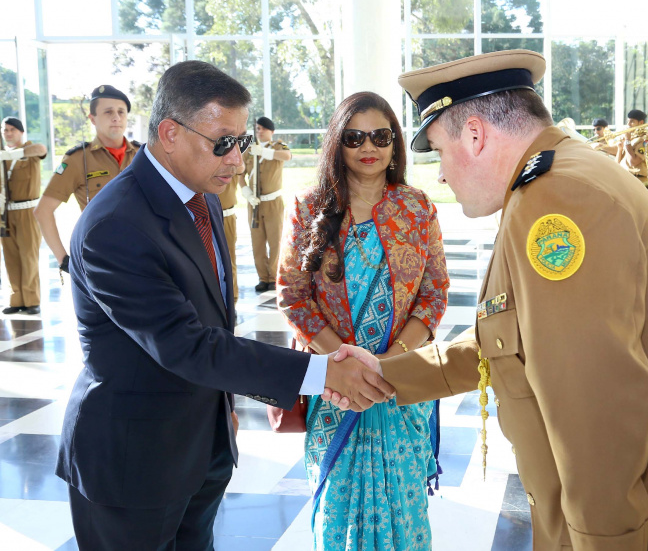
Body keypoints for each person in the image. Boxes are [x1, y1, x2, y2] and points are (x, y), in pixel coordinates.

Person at [330, 49, 648, 551]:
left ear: (475, 135)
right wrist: (385, 374)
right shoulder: (555, 182)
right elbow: (510, 337)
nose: (443, 175)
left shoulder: (558, 200)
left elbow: (597, 416)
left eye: (441, 153)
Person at [55, 60, 395, 550]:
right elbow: (186, 345)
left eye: (242, 143)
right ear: (170, 133)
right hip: (133, 465)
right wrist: (322, 373)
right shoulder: (117, 224)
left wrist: (222, 409)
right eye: (222, 143)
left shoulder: (201, 196)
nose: (236, 160)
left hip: (201, 447)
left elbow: (214, 317)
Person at [277, 91, 449, 551]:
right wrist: (344, 364)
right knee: (338, 509)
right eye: (354, 137)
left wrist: (388, 364)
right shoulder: (310, 208)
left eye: (380, 136)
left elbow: (433, 294)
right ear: (338, 143)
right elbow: (293, 296)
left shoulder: (417, 208)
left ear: (395, 144)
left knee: (405, 510)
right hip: (335, 387)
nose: (368, 146)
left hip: (401, 385)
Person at [34, 85, 140, 276]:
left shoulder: (144, 156)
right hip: (101, 261)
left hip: (144, 257)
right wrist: (64, 260)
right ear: (92, 119)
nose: (116, 117)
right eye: (108, 112)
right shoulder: (77, 160)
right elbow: (43, 211)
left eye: (121, 112)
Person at [238, 116, 292, 292]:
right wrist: (246, 192)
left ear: (271, 131)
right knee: (257, 242)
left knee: (275, 242)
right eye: (257, 128)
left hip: (273, 203)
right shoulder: (250, 150)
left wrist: (265, 153)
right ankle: (263, 277)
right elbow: (240, 174)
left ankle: (274, 277)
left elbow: (287, 155)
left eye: (262, 128)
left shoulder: (278, 146)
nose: (259, 131)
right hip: (254, 203)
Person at [0, 117, 46, 314]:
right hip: (6, 212)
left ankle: (31, 300)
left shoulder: (29, 150)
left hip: (27, 211)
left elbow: (41, 150)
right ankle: (16, 299)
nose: (8, 133)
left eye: (12, 130)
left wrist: (14, 154)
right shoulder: (3, 155)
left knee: (29, 256)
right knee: (10, 257)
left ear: (20, 132)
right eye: (5, 130)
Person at [616, 109, 648, 196]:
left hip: (638, 180)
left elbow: (633, 162)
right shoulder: (632, 138)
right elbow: (617, 163)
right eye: (628, 121)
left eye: (632, 122)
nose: (628, 125)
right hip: (625, 179)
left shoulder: (645, 139)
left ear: (641, 122)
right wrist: (620, 149)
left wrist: (627, 141)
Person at [221, 165, 241, 303]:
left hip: (226, 216)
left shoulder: (230, 162)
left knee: (229, 260)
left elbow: (240, 167)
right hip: (203, 216)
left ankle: (231, 299)